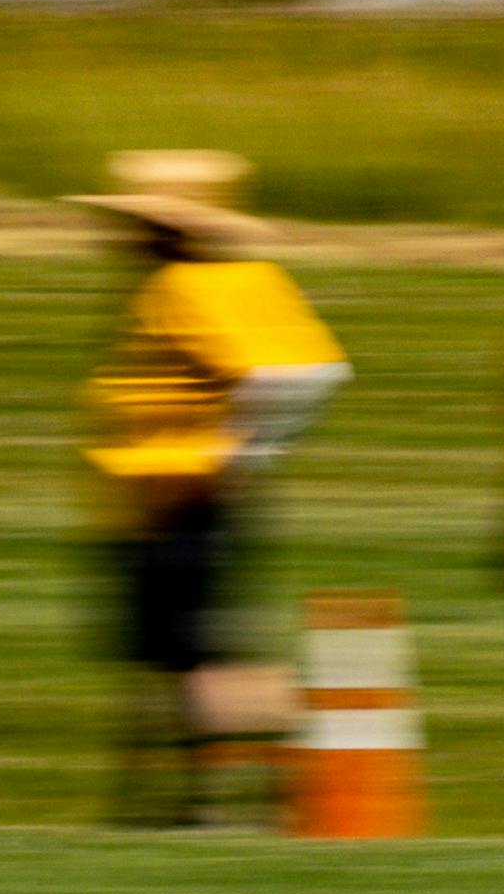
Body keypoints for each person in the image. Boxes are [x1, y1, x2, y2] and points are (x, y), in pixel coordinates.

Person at [76, 148, 349, 828]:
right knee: (196, 651)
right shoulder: (253, 280)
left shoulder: (182, 289)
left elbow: (285, 378)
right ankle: (194, 796)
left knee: (195, 655)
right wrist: (252, 456)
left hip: (177, 495)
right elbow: (317, 371)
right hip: (189, 495)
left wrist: (231, 453)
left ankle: (227, 802)